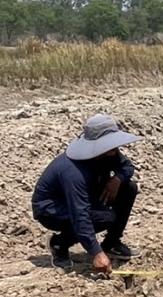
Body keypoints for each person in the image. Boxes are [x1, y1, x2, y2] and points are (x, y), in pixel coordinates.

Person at [32, 113, 141, 274]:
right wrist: (96, 253)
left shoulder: (109, 154)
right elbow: (80, 213)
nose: (116, 149)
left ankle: (111, 244)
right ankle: (59, 244)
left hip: (84, 196)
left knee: (129, 188)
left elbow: (127, 167)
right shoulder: (73, 171)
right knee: (105, 218)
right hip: (51, 209)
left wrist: (117, 179)